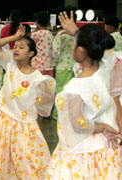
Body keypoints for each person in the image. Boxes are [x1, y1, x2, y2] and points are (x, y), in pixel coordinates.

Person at [44, 11, 122, 179]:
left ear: (79, 50)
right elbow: (106, 52)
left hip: (82, 153)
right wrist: (78, 33)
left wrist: (100, 127)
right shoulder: (106, 69)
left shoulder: (75, 88)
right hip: (104, 149)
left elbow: (77, 126)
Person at [0, 25, 55, 180]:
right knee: (1, 155)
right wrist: (15, 37)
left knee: (27, 157)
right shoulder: (10, 64)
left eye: (21, 47)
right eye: (15, 47)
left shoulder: (38, 78)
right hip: (5, 120)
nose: (16, 49)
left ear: (30, 54)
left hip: (25, 124)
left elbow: (44, 107)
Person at [51, 12, 77, 120]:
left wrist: (53, 63)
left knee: (60, 91)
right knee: (73, 92)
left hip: (62, 66)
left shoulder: (61, 34)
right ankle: (70, 114)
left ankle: (58, 115)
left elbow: (55, 51)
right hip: (76, 66)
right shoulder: (78, 34)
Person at [31, 11, 54, 77]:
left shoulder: (35, 34)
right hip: (49, 64)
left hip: (37, 65)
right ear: (48, 22)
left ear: (37, 22)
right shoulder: (50, 34)